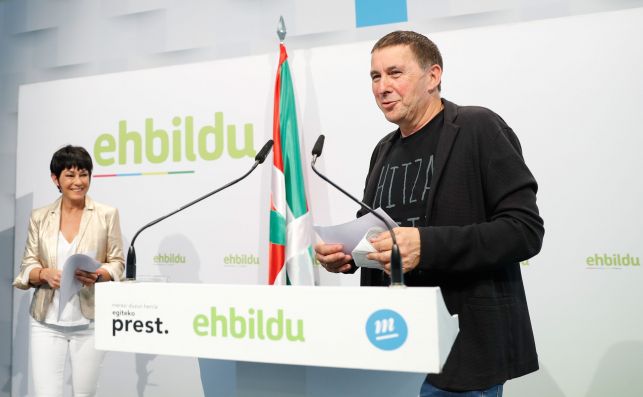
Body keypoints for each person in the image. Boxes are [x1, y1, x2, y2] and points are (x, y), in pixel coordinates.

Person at [314, 31, 544, 396]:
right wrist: (346, 256)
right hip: (390, 347)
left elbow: (524, 230)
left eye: (395, 73)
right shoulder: (383, 150)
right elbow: (376, 234)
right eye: (375, 77)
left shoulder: (478, 127)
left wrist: (426, 245)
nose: (383, 87)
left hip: (461, 357)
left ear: (433, 76)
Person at [13, 145, 125, 397]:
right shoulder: (40, 216)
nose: (78, 182)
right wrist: (43, 274)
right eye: (70, 175)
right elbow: (27, 266)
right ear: (56, 179)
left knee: (85, 394)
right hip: (46, 322)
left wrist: (98, 275)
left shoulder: (107, 214)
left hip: (90, 321)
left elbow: (117, 262)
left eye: (84, 174)